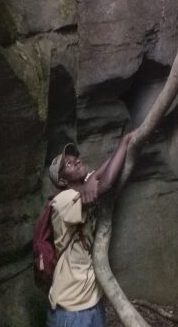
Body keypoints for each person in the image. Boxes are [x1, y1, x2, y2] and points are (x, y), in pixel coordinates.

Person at [44, 134, 133, 327]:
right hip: (70, 309)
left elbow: (104, 172)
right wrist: (125, 141)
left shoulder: (84, 187)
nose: (76, 161)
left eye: (75, 158)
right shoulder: (63, 201)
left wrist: (93, 177)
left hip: (93, 300)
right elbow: (106, 183)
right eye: (68, 164)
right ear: (62, 181)